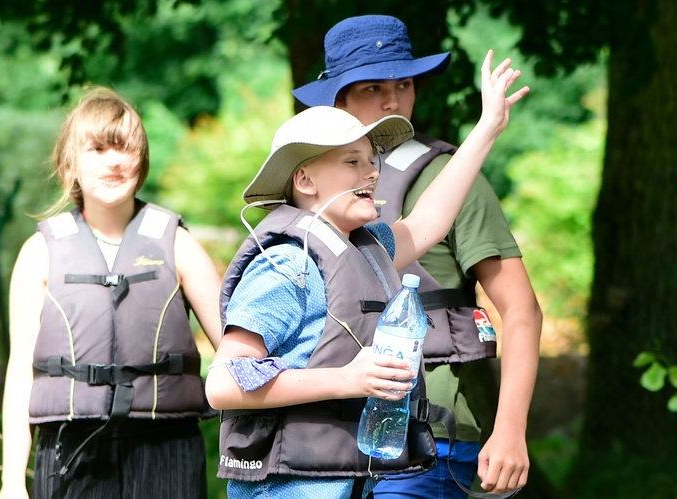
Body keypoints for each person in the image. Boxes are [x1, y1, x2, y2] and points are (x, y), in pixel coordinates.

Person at [205, 49, 527, 499]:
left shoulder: (366, 248)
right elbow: (223, 383)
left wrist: (487, 127)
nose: (371, 172)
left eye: (371, 160)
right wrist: (346, 379)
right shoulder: (285, 264)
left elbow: (429, 222)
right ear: (304, 180)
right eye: (352, 162)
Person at [292, 15, 543, 497]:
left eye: (404, 83)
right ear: (338, 100)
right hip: (330, 436)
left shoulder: (449, 178)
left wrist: (510, 430)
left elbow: (522, 309)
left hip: (430, 433)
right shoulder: (310, 184)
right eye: (372, 88)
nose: (393, 100)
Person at [0, 86, 223, 499]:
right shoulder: (39, 253)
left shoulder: (177, 244)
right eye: (98, 149)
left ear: (143, 159)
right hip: (70, 447)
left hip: (167, 446)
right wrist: (12, 482)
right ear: (71, 164)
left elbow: (236, 348)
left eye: (126, 148)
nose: (115, 161)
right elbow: (20, 374)